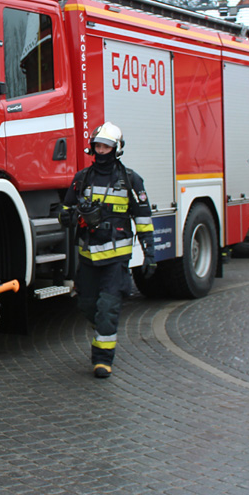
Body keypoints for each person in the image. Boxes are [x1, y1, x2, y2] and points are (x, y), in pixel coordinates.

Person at [58, 122, 156, 379]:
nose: (101, 151)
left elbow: (143, 219)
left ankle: (102, 359)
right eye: (98, 146)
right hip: (88, 256)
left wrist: (150, 253)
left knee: (108, 308)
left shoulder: (131, 180)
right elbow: (65, 209)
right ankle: (102, 328)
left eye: (106, 147)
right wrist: (68, 217)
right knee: (87, 305)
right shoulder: (82, 179)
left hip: (116, 258)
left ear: (116, 149)